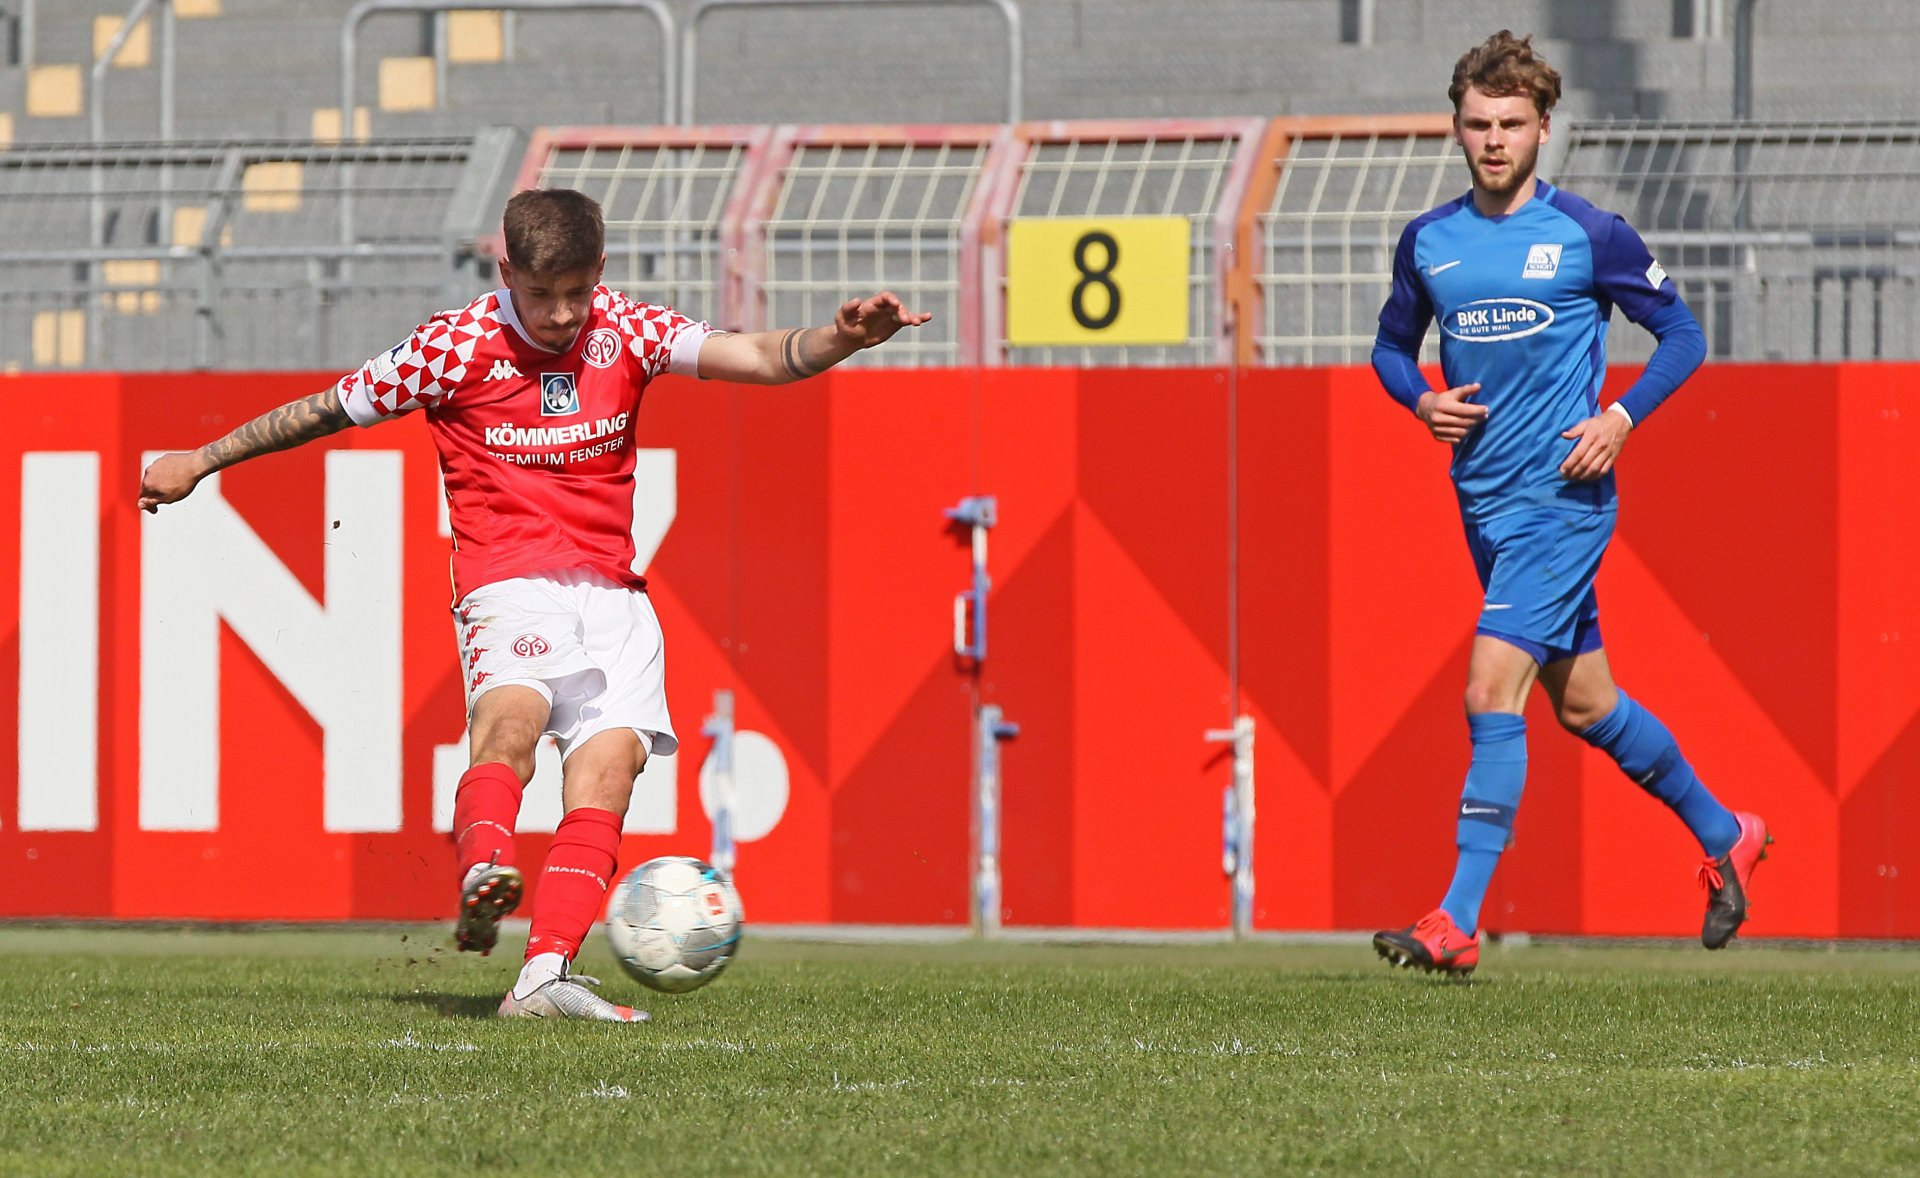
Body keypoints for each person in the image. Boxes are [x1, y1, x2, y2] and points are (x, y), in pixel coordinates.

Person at [139, 187, 929, 1020]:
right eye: (541, 294)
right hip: (507, 581)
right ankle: (484, 868)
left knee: (608, 774)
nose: (560, 314)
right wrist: (203, 458)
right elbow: (328, 409)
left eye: (577, 292)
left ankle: (540, 977)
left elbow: (764, 356)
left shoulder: (626, 327)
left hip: (615, 594)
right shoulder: (452, 348)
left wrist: (842, 339)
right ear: (506, 268)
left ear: (601, 272)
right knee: (511, 723)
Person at [1367, 31, 1770, 978]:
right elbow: (1388, 348)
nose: (1494, 140)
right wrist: (1419, 396)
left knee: (1486, 692)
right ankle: (1727, 831)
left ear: (1544, 128)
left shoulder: (1589, 234)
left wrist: (1623, 416)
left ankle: (1456, 920)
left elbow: (1682, 332)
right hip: (1484, 507)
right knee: (1586, 707)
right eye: (1478, 125)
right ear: (1458, 130)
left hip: (1563, 501)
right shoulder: (1428, 240)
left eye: (1511, 124)